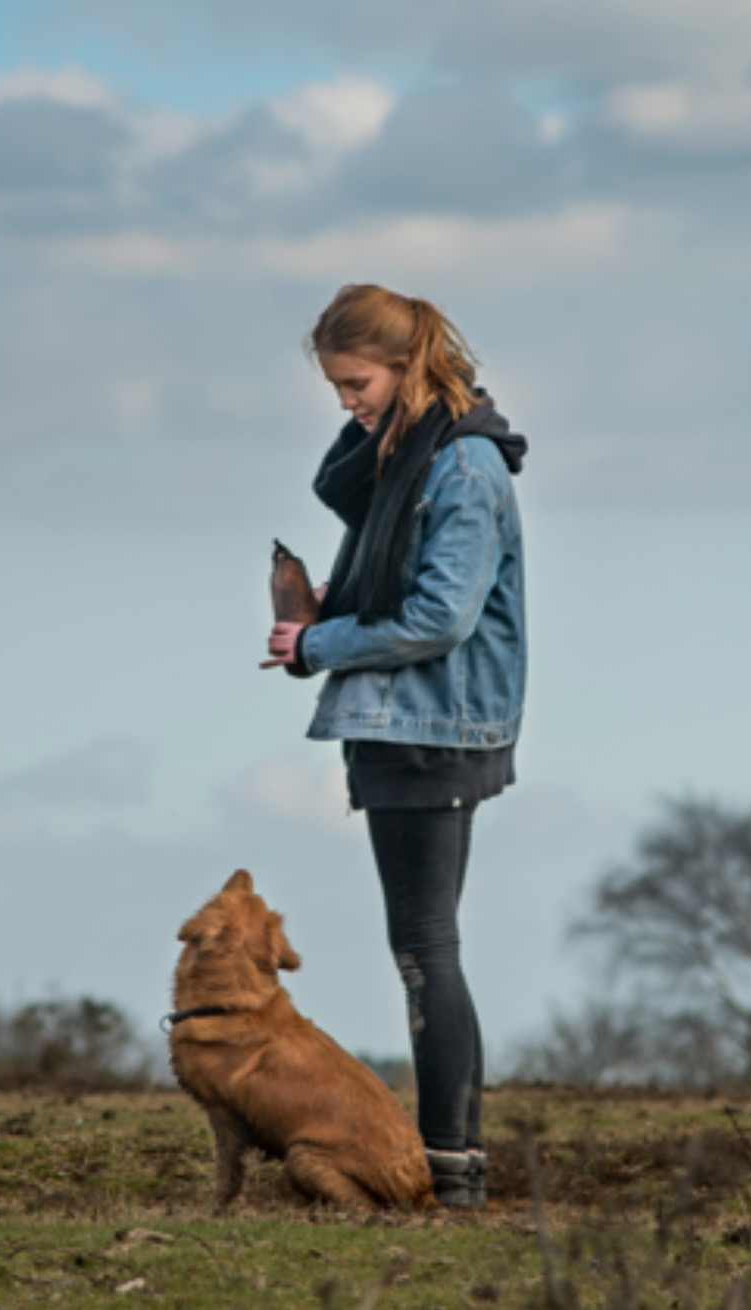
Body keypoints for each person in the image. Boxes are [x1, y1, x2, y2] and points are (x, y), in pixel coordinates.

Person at [260, 283, 527, 1208]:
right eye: (334, 388)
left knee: (424, 950)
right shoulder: (407, 457)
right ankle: (454, 1165)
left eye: (355, 382)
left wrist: (318, 643)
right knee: (425, 946)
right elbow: (397, 591)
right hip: (404, 722)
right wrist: (321, 618)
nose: (345, 402)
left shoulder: (461, 467)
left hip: (432, 726)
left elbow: (439, 618)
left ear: (407, 364)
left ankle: (448, 1170)